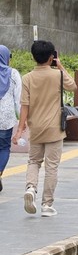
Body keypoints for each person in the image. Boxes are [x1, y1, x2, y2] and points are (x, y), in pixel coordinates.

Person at [12, 41, 77, 216]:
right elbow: (73, 86)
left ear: (33, 57)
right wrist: (60, 66)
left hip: (36, 128)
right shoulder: (58, 75)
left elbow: (24, 106)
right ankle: (47, 205)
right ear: (51, 57)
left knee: (34, 161)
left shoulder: (27, 78)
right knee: (51, 167)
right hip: (54, 128)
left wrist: (19, 130)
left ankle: (30, 188)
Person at [0, 46, 22, 193]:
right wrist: (22, 121)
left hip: (5, 117)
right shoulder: (13, 73)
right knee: (3, 147)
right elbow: (18, 99)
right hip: (5, 118)